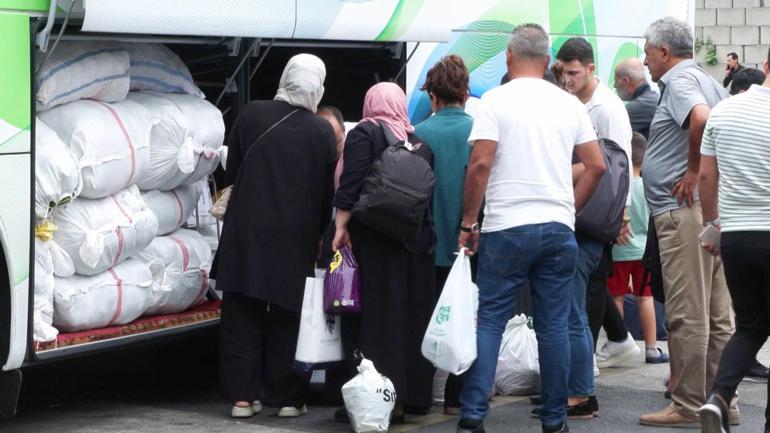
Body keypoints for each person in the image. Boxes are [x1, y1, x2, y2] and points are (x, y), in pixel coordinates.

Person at [456, 23, 605, 433]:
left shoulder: (493, 101)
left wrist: (469, 222)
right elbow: (597, 166)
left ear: (507, 56)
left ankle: (472, 415)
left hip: (507, 227)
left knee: (490, 319)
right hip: (557, 228)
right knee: (554, 325)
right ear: (547, 61)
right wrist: (568, 211)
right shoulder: (569, 104)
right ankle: (555, 420)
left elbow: (481, 164)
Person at [214, 54, 338, 419]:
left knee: (242, 313)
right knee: (288, 315)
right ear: (318, 86)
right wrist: (318, 234)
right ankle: (286, 398)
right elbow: (326, 196)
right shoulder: (321, 131)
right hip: (294, 235)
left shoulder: (251, 114)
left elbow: (234, 169)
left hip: (246, 230)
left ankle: (241, 398)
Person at [637, 17, 735, 428]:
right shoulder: (707, 78)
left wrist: (693, 170)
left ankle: (689, 403)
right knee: (717, 313)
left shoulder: (679, 82)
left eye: (647, 52)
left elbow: (699, 119)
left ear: (664, 52)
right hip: (706, 210)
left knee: (687, 312)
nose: (644, 61)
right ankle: (720, 400)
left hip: (683, 212)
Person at [332, 82, 436, 423]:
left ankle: (377, 399)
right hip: (412, 242)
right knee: (408, 317)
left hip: (373, 241)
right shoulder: (419, 142)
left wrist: (340, 227)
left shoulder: (366, 132)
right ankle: (411, 396)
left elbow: (351, 183)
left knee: (375, 320)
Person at [554, 36, 637, 419]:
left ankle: (581, 389)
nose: (567, 79)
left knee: (580, 308)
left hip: (591, 219)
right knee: (579, 306)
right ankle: (576, 383)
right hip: (576, 215)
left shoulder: (606, 108)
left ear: (590, 69)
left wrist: (617, 219)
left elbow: (616, 168)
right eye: (563, 72)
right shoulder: (573, 102)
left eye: (573, 72)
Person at [698, 48, 770, 433]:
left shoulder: (723, 110)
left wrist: (714, 224)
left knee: (749, 325)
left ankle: (719, 397)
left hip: (738, 235)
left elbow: (706, 177)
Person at [413, 54, 473, 416]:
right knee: (464, 320)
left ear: (432, 96)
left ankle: (419, 395)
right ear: (465, 94)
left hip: (425, 247)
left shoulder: (419, 135)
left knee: (423, 320)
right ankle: (456, 398)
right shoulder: (478, 133)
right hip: (467, 247)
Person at [607, 132, 668, 364]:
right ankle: (652, 349)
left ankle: (620, 343)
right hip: (645, 252)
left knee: (617, 298)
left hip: (620, 251)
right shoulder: (648, 188)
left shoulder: (620, 186)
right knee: (646, 298)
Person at [614, 58, 659, 139]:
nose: (614, 85)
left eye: (616, 80)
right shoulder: (654, 98)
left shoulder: (638, 107)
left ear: (625, 81)